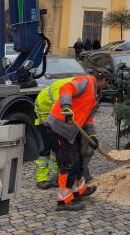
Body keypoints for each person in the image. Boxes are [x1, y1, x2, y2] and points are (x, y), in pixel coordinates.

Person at [46, 70, 110, 212]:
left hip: (73, 130)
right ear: (103, 79)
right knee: (67, 164)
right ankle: (63, 201)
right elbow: (66, 88)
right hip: (59, 128)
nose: (107, 86)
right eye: (107, 82)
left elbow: (89, 118)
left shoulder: (97, 95)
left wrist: (92, 135)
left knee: (78, 161)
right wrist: (66, 106)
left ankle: (77, 191)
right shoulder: (86, 82)